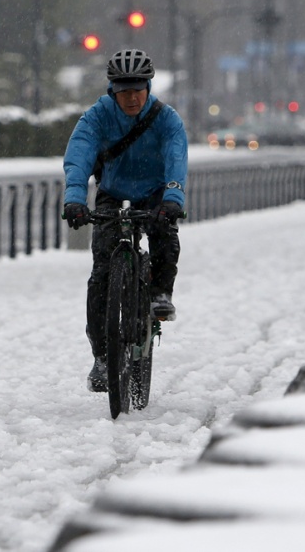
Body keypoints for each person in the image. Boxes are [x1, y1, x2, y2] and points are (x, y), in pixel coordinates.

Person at [62, 48, 189, 392]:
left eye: (137, 89)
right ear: (111, 91)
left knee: (165, 235)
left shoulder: (166, 119)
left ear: (148, 87)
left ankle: (160, 293)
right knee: (101, 273)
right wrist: (74, 199)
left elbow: (176, 158)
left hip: (155, 192)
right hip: (112, 191)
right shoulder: (96, 117)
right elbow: (79, 155)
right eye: (123, 90)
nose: (130, 97)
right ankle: (102, 358)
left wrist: (173, 199)